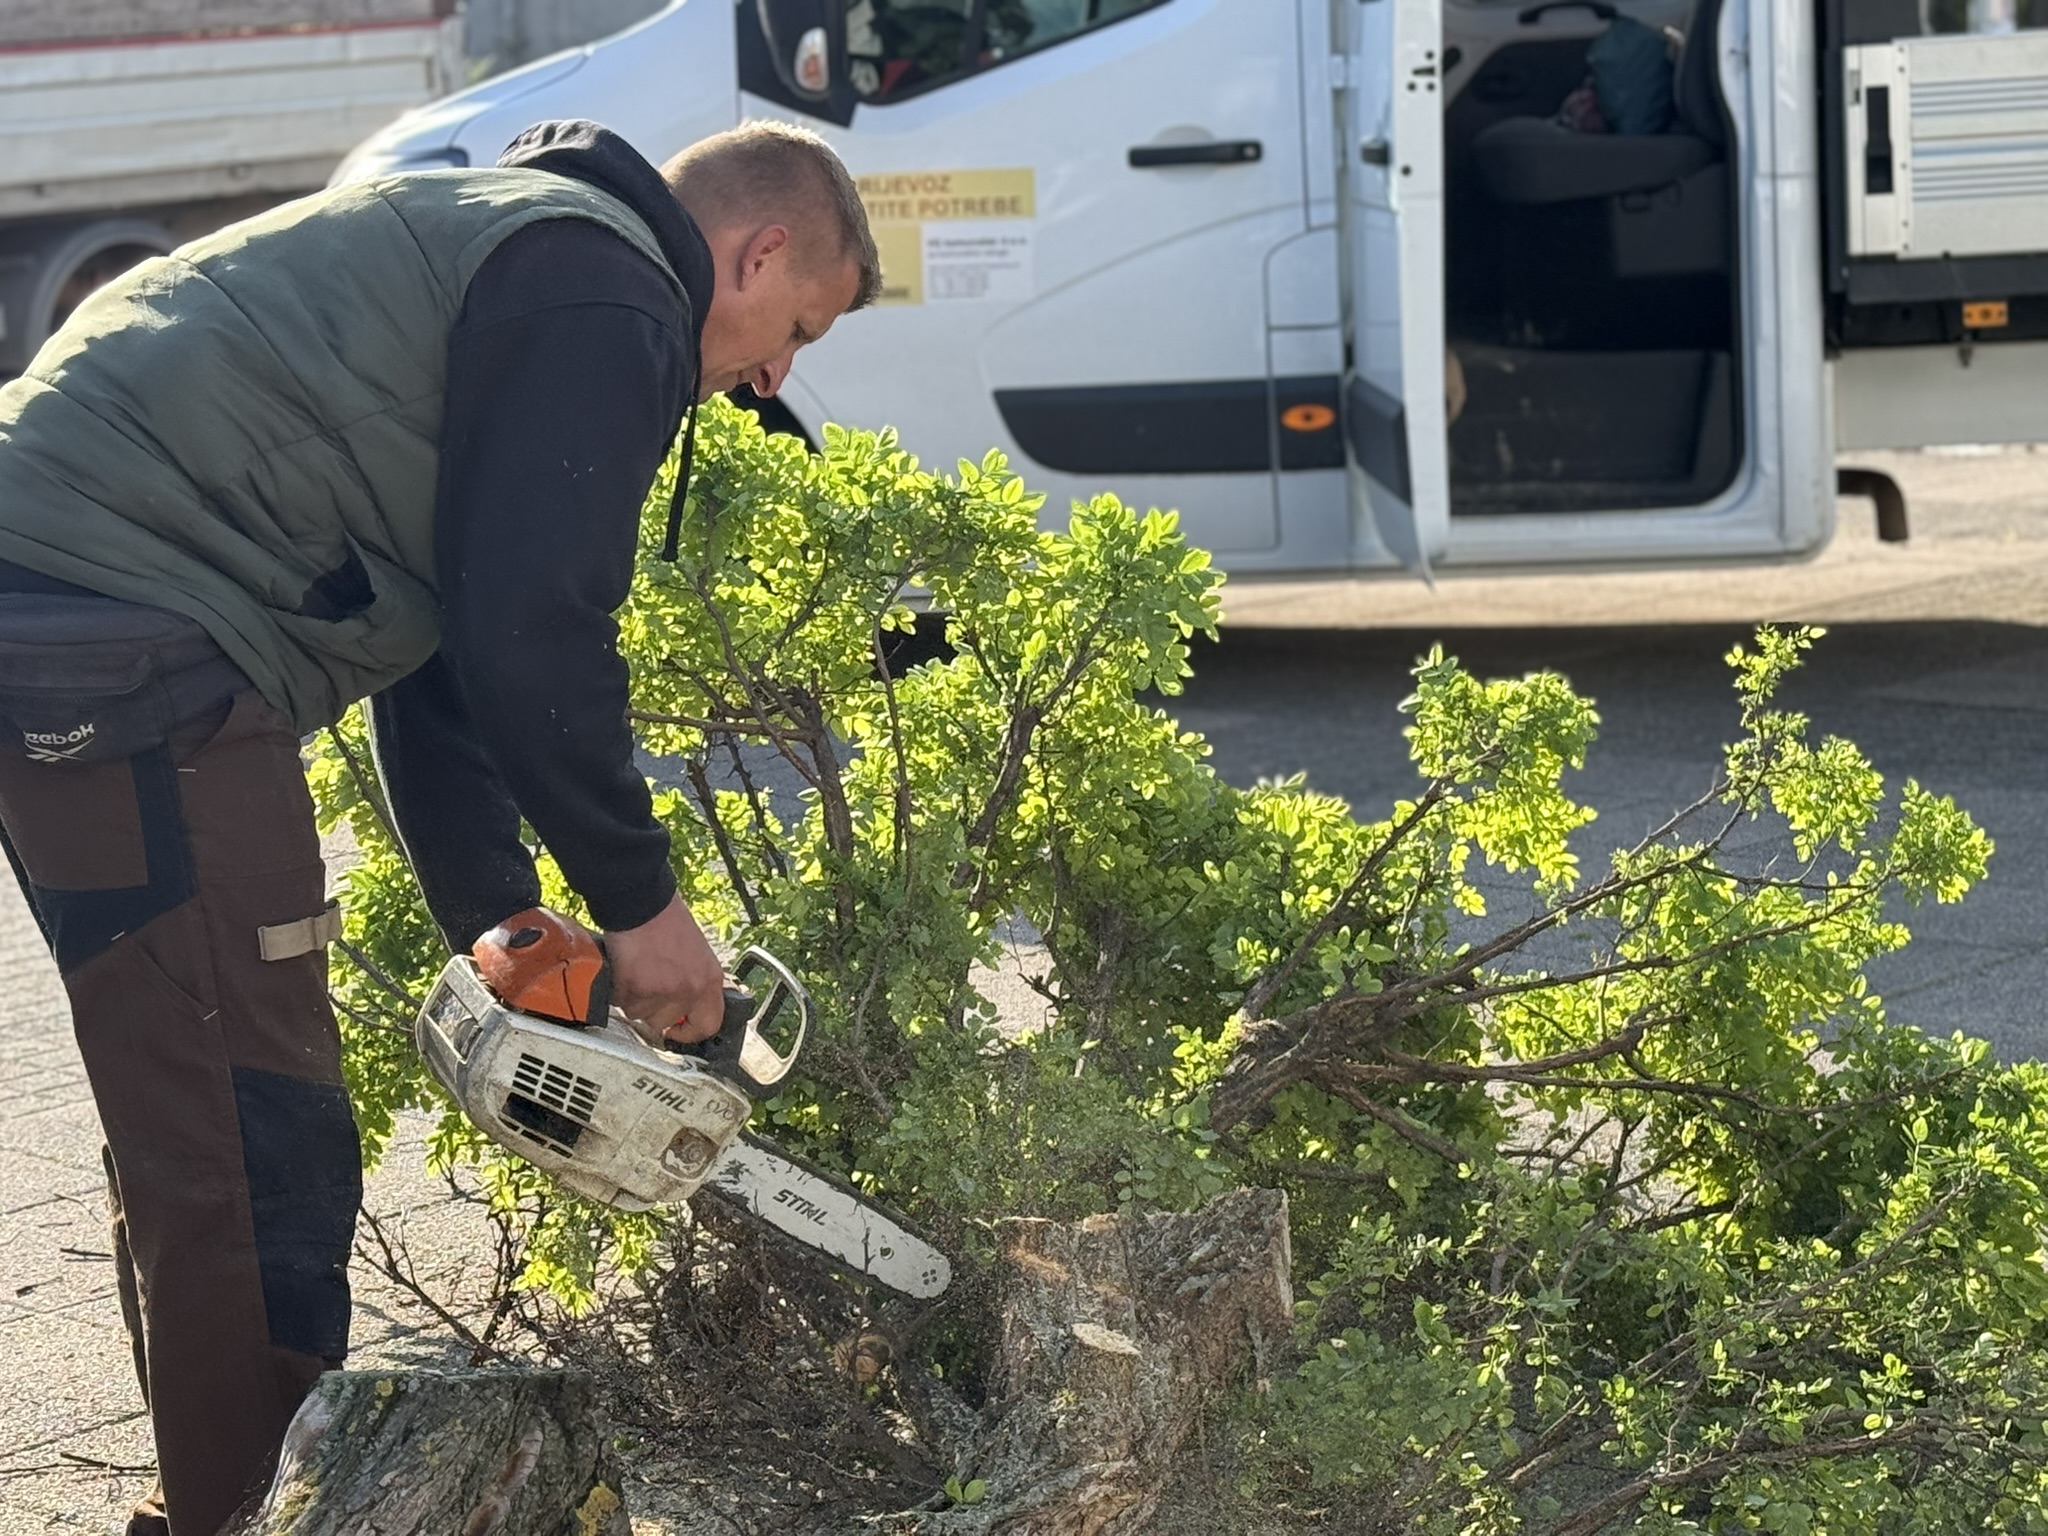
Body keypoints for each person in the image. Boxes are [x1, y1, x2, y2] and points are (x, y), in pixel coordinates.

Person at [0, 117, 880, 1536]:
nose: (775, 378)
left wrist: (506, 926)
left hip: (71, 596)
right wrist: (645, 915)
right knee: (251, 1135)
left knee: (197, 1102)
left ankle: (212, 1497)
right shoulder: (604, 295)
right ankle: (251, 1514)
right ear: (759, 250)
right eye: (797, 332)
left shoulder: (528, 247)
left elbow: (455, 648)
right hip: (124, 625)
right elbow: (536, 637)